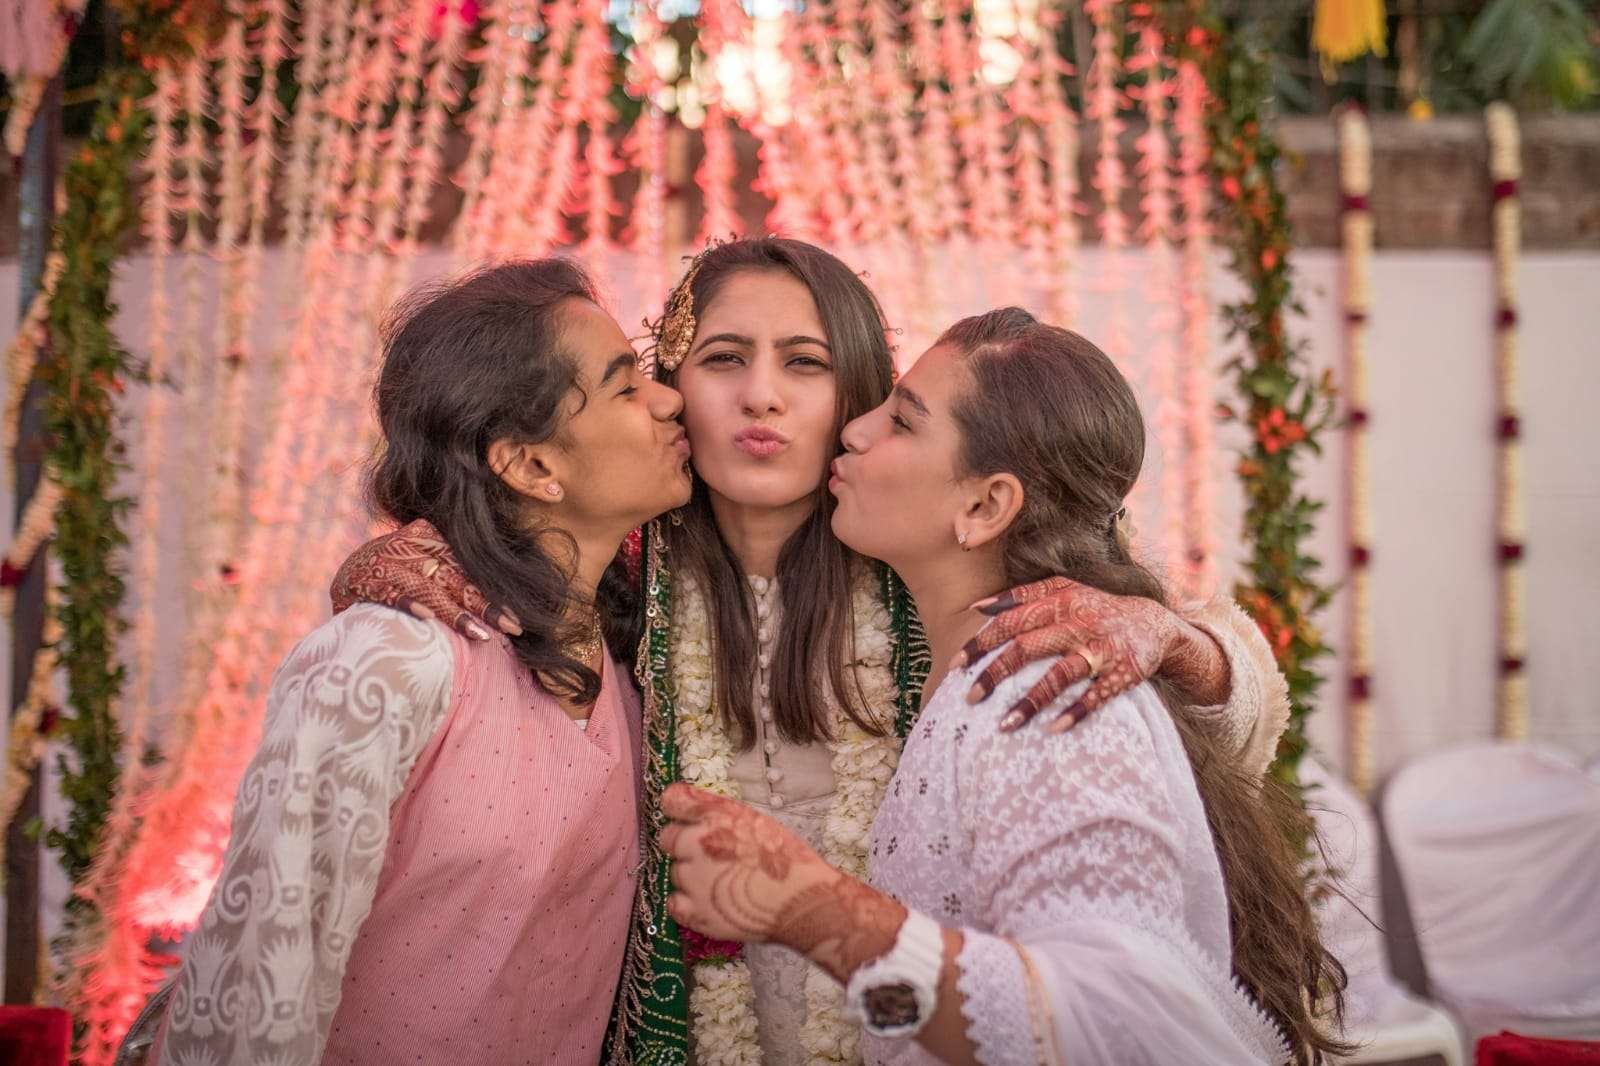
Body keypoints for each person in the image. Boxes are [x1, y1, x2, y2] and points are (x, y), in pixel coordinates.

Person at [331, 239, 1289, 1065]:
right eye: (723, 360)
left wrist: (1177, 640)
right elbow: (484, 550)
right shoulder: (613, 571)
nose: (761, 397)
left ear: (858, 396)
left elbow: (1206, 744)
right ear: (670, 390)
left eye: (805, 363)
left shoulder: (935, 564)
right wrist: (399, 562)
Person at [660, 309, 1348, 1065]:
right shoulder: (979, 662)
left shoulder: (1047, 689)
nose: (855, 431)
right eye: (724, 358)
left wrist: (819, 912)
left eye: (902, 420)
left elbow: (1123, 1025)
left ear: (985, 507)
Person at [153, 259, 692, 1064]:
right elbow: (259, 989)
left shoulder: (632, 655)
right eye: (625, 387)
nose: (668, 399)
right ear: (532, 466)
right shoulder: (388, 661)